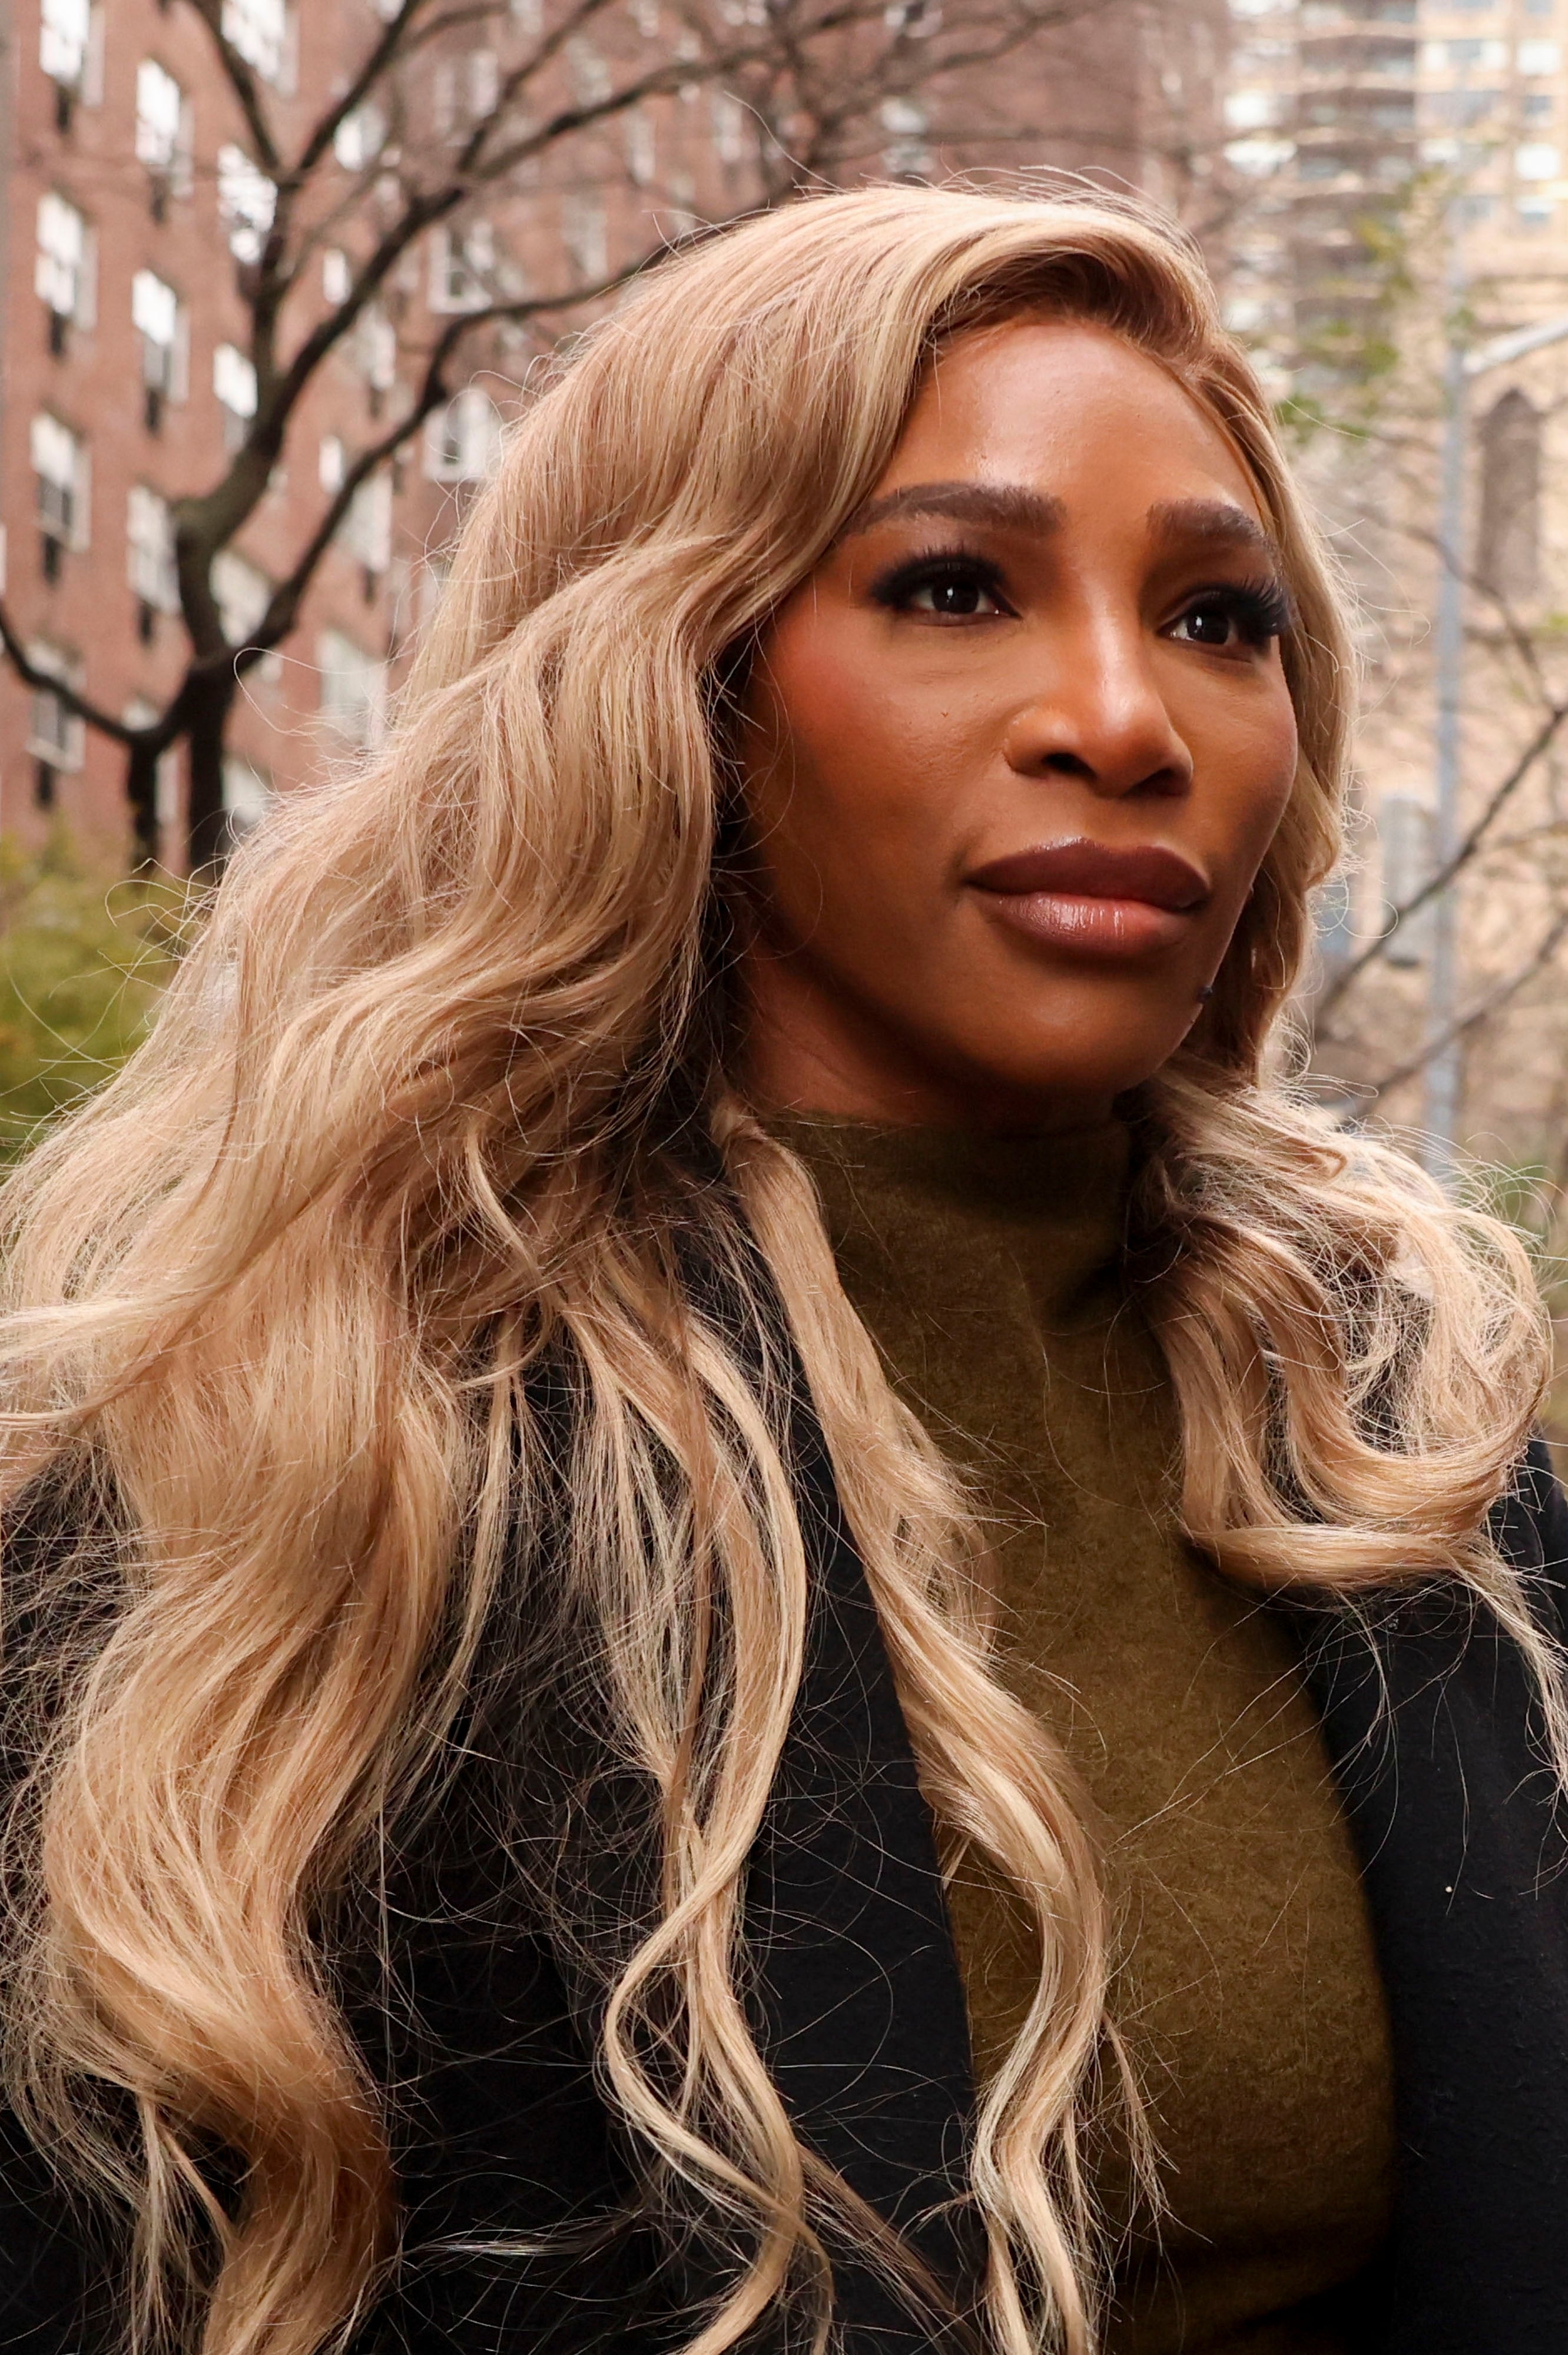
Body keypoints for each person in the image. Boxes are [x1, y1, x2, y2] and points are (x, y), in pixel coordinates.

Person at [0, 185, 1563, 2355]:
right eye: (952, 586)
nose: (1127, 717)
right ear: (683, 678)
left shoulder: (1418, 1429)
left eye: (1222, 617)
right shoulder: (290, 1449)